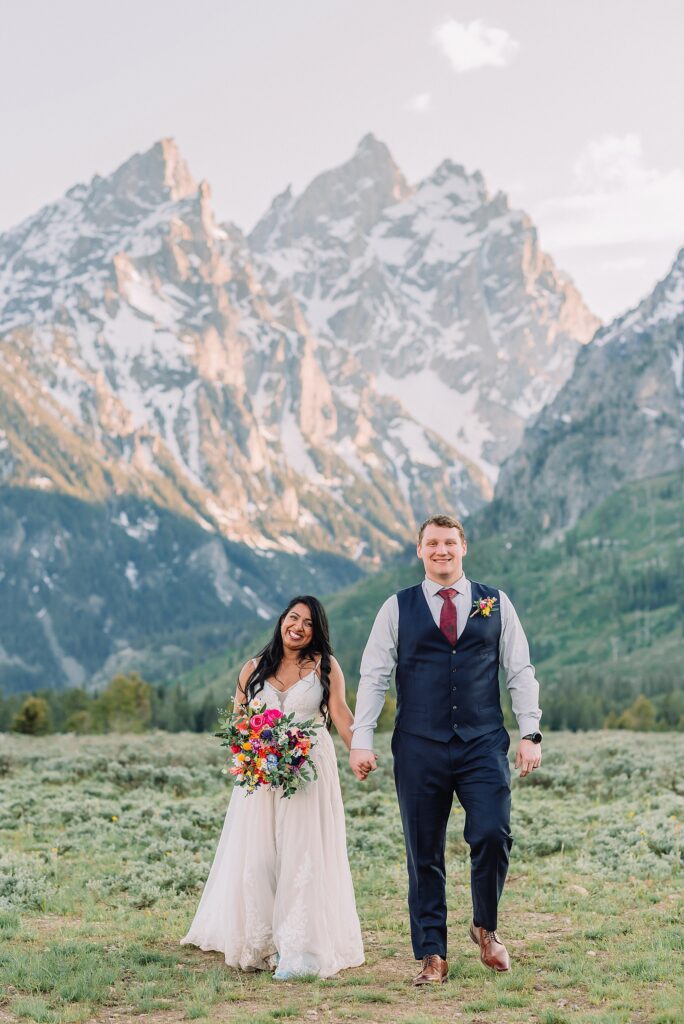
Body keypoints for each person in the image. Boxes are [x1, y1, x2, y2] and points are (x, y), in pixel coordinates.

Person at [350, 515, 542, 985]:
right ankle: (432, 954)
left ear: (464, 548)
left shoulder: (496, 604)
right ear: (420, 551)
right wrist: (361, 739)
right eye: (432, 543)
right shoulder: (396, 608)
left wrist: (530, 732)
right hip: (418, 745)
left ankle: (485, 926)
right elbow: (374, 676)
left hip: (482, 742)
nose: (442, 550)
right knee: (424, 851)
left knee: (493, 833)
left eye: (449, 543)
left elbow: (519, 670)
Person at [181, 595, 364, 980]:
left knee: (302, 853)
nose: (297, 626)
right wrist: (250, 751)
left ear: (317, 631)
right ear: (282, 620)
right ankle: (260, 941)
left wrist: (358, 750)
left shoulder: (325, 666)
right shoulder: (253, 668)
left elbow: (341, 711)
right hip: (263, 773)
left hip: (309, 769)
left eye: (308, 623)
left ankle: (298, 944)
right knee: (259, 855)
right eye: (292, 617)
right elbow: (238, 721)